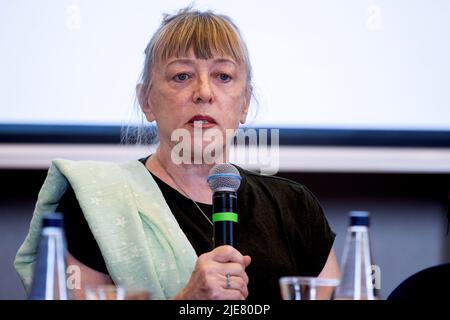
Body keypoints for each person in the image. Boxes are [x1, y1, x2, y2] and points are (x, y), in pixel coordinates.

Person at [14, 7, 339, 300]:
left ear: (245, 104)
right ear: (146, 101)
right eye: (181, 76)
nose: (203, 92)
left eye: (223, 76)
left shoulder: (295, 207)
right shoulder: (95, 204)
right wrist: (188, 301)